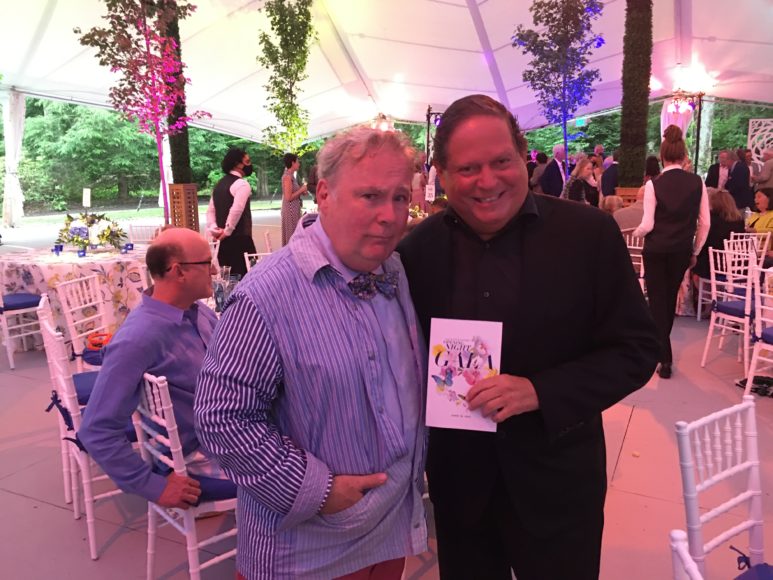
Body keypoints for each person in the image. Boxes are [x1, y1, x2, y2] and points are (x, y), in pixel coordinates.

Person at [398, 94, 659, 580]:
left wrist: (540, 391)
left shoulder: (589, 236)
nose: (487, 181)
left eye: (501, 162)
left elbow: (638, 349)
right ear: (443, 174)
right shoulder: (416, 252)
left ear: (524, 155)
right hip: (461, 494)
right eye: (467, 168)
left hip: (559, 487)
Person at [195, 127, 428, 580]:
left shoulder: (394, 269)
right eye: (370, 196)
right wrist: (316, 490)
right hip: (308, 547)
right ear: (323, 193)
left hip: (391, 525)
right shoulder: (268, 294)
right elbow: (221, 418)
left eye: (400, 198)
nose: (390, 215)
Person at [79, 228, 224, 508]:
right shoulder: (138, 338)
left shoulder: (197, 312)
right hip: (203, 453)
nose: (215, 270)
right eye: (207, 263)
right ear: (178, 271)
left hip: (230, 429)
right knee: (306, 471)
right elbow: (96, 430)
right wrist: (152, 486)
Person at [634, 125, 709, 379]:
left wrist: (634, 233)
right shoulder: (697, 182)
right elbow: (705, 223)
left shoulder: (654, 184)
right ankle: (663, 356)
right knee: (666, 301)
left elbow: (648, 225)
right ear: (684, 155)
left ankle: (663, 358)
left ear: (663, 155)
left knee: (658, 302)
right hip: (680, 251)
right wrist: (695, 250)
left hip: (655, 250)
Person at [691, 189, 744, 313]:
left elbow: (704, 244)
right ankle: (720, 299)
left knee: (692, 266)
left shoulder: (711, 221)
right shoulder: (739, 221)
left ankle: (707, 303)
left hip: (712, 265)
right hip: (734, 266)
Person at [207, 147, 256, 278]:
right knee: (248, 277)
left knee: (227, 279)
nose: (249, 164)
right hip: (241, 240)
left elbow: (211, 210)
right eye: (247, 161)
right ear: (237, 164)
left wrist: (214, 228)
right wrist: (228, 231)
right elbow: (237, 209)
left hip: (222, 243)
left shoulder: (219, 185)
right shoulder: (242, 184)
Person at [281, 152, 308, 246]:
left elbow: (295, 192)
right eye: (297, 162)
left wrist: (302, 191)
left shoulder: (292, 176)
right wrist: (301, 190)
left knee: (295, 233)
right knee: (292, 235)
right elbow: (288, 197)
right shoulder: (287, 177)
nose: (299, 164)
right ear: (292, 163)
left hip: (295, 209)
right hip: (290, 210)